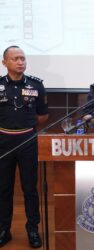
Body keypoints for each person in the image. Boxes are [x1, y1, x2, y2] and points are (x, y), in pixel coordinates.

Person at [0, 46, 48, 248]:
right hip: (3, 142)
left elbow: (42, 115)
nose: (20, 62)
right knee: (3, 189)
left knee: (30, 188)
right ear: (5, 63)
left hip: (28, 140)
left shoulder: (36, 85)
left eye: (23, 58)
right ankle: (4, 230)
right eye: (15, 59)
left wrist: (25, 128)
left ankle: (33, 230)